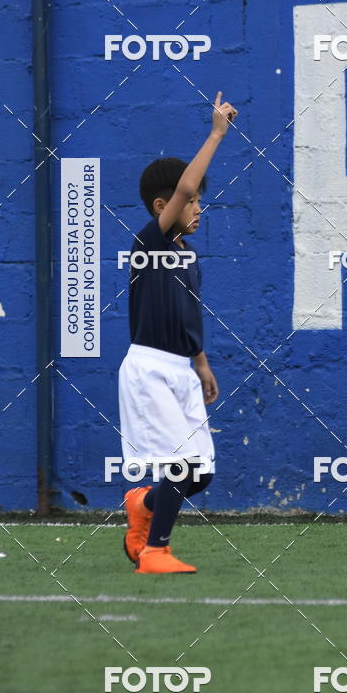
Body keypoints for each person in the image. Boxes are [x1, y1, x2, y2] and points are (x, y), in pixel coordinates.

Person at [118, 92, 238, 574]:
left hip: (180, 368)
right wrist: (215, 134)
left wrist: (201, 363)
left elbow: (189, 314)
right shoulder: (149, 240)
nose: (198, 207)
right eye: (191, 201)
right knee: (182, 465)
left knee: (200, 472)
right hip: (148, 367)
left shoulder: (186, 257)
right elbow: (186, 187)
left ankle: (142, 507)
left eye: (200, 202)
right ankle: (154, 552)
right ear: (162, 205)